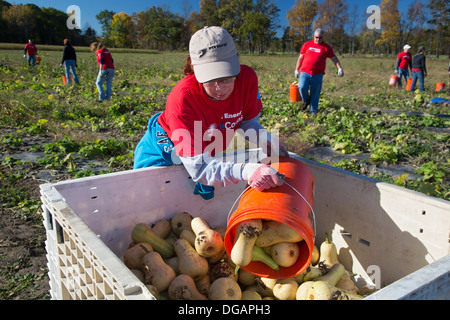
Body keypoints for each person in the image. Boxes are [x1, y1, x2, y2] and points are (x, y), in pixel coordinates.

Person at [133, 26, 288, 200]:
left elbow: (246, 121)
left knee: (198, 202)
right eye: (210, 80)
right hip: (165, 149)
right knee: (150, 199)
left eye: (226, 78)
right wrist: (247, 170)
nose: (219, 88)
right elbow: (199, 168)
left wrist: (263, 138)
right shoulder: (183, 99)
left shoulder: (247, 80)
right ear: (195, 68)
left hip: (204, 149)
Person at [294, 28, 343, 114]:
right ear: (314, 36)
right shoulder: (307, 45)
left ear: (323, 38)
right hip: (305, 72)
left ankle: (313, 112)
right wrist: (296, 69)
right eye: (316, 37)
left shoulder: (326, 47)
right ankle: (307, 101)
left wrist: (339, 68)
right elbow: (301, 57)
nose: (318, 39)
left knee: (315, 93)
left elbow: (334, 58)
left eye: (320, 38)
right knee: (301, 87)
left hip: (317, 74)